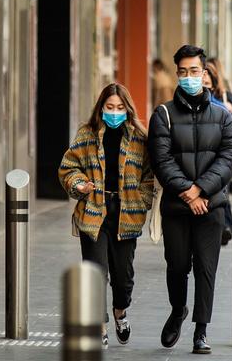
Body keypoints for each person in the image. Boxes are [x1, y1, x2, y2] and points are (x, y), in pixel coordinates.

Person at [148, 45, 232, 355]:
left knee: (206, 267)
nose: (189, 77)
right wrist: (188, 192)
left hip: (211, 205)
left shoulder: (223, 115)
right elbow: (161, 160)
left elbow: (229, 157)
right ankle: (177, 310)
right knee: (176, 266)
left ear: (205, 73)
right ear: (178, 74)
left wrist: (201, 189)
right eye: (183, 72)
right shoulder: (163, 114)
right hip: (176, 205)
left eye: (194, 71)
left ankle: (201, 330)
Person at [59, 83, 153, 349]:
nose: (114, 112)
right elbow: (68, 167)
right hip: (94, 211)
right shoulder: (86, 134)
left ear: (128, 109)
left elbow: (149, 175)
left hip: (127, 213)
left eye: (120, 108)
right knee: (95, 272)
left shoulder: (139, 138)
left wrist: (142, 199)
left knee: (123, 278)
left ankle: (120, 312)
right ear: (101, 108)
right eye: (109, 107)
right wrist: (79, 185)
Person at [203, 61, 232, 245]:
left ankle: (225, 227)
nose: (203, 87)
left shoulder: (225, 98)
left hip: (221, 153)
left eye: (206, 82)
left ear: (213, 82)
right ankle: (222, 226)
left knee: (221, 188)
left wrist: (230, 111)